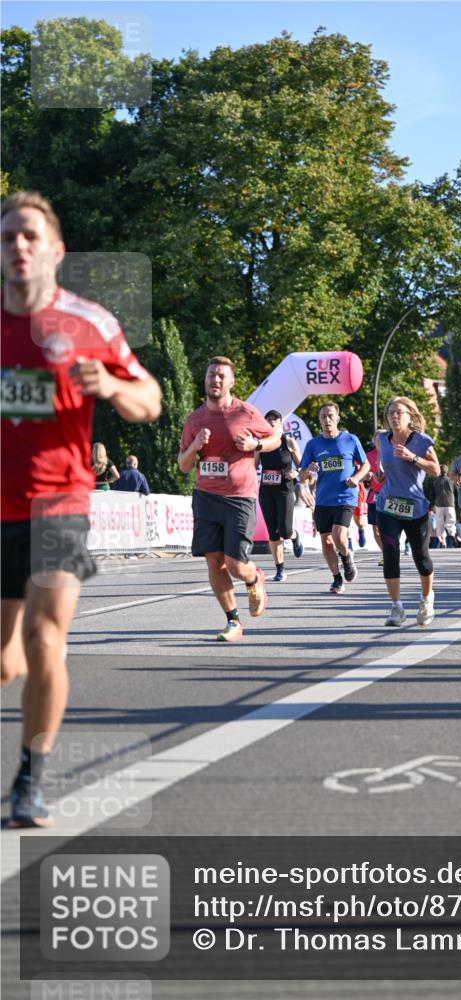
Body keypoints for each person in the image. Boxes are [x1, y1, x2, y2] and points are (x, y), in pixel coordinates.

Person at [1, 190, 162, 828]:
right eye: (7, 236)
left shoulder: (87, 323)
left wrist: (116, 386)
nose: (17, 246)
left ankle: (30, 780)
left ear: (55, 252)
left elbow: (148, 398)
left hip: (59, 501)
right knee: (6, 658)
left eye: (29, 236)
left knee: (45, 639)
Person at [178, 356, 282, 641]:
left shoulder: (246, 412)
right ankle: (233, 621)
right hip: (206, 496)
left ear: (231, 381)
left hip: (240, 498)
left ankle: (253, 577)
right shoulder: (195, 419)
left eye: (222, 375)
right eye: (211, 375)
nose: (216, 380)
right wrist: (195, 446)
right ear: (205, 380)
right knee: (214, 560)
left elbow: (275, 439)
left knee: (235, 564)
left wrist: (255, 444)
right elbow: (184, 465)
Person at [375, 397, 440, 626]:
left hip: (415, 507)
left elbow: (436, 470)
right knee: (390, 555)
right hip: (388, 505)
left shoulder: (421, 441)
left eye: (399, 413)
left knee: (421, 558)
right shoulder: (382, 438)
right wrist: (379, 474)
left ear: (410, 416)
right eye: (391, 412)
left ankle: (426, 599)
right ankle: (396, 608)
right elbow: (381, 465)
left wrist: (413, 458)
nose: (394, 416)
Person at [299, 402, 369, 593]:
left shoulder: (350, 440)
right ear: (319, 420)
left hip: (345, 496)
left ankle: (346, 558)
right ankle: (337, 578)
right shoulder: (313, 445)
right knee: (327, 542)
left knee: (338, 535)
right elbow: (301, 476)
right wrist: (308, 470)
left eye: (330, 416)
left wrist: (355, 478)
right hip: (323, 500)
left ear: (337, 418)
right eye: (323, 417)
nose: (327, 420)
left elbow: (366, 465)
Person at [255, 409, 304, 582]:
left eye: (274, 419)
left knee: (284, 530)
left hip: (284, 489)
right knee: (273, 533)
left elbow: (302, 466)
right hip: (266, 491)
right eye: (268, 419)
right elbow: (253, 466)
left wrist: (295, 472)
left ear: (280, 423)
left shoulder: (288, 442)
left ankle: (295, 536)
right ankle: (280, 569)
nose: (271, 421)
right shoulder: (261, 444)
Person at [425, 464, 457, 548]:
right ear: (447, 471)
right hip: (450, 504)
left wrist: (431, 507)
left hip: (439, 505)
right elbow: (455, 493)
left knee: (440, 524)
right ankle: (452, 535)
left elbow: (432, 496)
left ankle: (443, 542)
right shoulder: (451, 481)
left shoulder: (435, 482)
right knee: (451, 523)